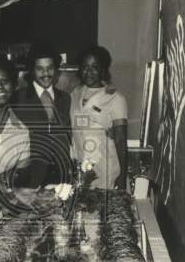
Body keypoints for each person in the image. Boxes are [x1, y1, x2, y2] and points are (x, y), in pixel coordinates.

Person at [10, 41, 73, 187]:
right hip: (30, 177)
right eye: (39, 69)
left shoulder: (65, 98)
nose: (46, 74)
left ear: (56, 69)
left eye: (50, 68)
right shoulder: (18, 98)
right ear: (32, 70)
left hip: (61, 176)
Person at [70, 45, 129, 190]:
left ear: (103, 69)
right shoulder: (74, 94)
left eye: (94, 67)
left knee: (105, 210)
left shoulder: (116, 99)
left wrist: (121, 176)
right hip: (80, 169)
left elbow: (121, 140)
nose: (89, 72)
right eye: (85, 67)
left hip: (106, 168)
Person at [0, 54, 33, 214]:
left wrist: (7, 177)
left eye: (5, 81)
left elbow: (23, 172)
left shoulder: (22, 130)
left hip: (4, 207)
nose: (0, 87)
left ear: (15, 85)